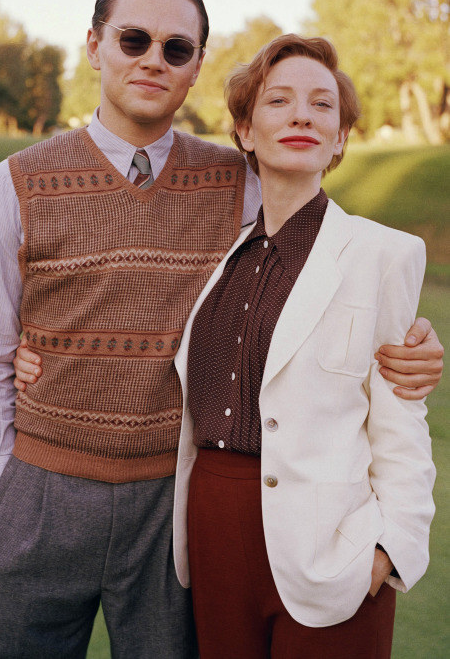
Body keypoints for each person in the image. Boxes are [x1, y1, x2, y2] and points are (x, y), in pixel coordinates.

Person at [0, 0, 441, 659]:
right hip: (41, 498)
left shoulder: (241, 181)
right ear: (94, 45)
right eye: (134, 39)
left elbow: (327, 258)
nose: (154, 59)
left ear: (195, 69)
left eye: (176, 49)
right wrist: (4, 483)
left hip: (171, 510)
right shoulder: (13, 184)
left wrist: (413, 343)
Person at [170, 34, 436, 659]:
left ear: (341, 137)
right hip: (213, 527)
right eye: (278, 100)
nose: (300, 116)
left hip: (331, 544)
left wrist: (389, 548)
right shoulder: (219, 257)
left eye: (322, 106)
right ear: (244, 130)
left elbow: (401, 420)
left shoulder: (384, 254)